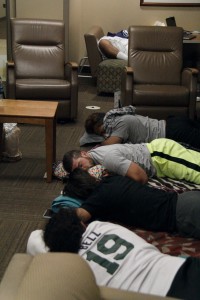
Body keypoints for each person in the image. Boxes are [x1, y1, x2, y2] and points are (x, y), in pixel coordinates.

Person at [27, 208, 200, 300]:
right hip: (182, 269)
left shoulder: (68, 268)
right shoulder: (101, 226)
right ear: (83, 225)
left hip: (156, 294)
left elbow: (33, 239)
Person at [60, 167, 200, 239]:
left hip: (183, 216)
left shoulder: (97, 200)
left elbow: (75, 217)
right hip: (186, 198)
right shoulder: (112, 179)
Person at [63, 138, 200, 185]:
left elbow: (141, 177)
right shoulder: (93, 155)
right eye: (79, 170)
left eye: (81, 165)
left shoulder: (107, 158)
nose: (84, 170)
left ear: (84, 153)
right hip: (159, 159)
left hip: (161, 156)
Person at [81, 106, 200, 149]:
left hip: (172, 132)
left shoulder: (121, 123)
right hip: (172, 122)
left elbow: (111, 143)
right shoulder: (119, 115)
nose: (103, 135)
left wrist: (99, 144)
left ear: (104, 122)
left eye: (102, 131)